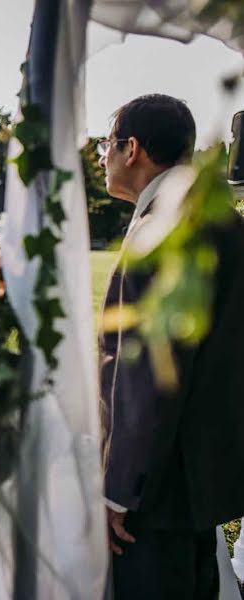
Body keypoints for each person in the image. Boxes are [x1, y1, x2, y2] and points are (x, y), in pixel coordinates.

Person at [98, 94, 244, 599]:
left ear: (132, 148)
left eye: (106, 143)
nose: (102, 156)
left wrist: (120, 492)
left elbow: (151, 374)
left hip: (157, 488)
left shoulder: (164, 228)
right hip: (199, 472)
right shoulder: (215, 216)